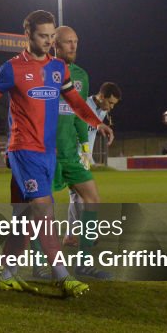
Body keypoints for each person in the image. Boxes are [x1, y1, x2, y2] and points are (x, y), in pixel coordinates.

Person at [0, 10, 113, 297]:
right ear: (27, 35)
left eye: (52, 36)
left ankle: (8, 272)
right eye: (43, 36)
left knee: (24, 217)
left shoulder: (58, 69)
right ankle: (61, 275)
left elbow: (75, 102)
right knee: (43, 208)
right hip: (23, 150)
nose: (49, 41)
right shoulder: (11, 68)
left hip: (48, 152)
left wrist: (97, 123)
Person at [50, 26, 119, 278]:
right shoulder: (40, 69)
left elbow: (79, 111)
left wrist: (96, 126)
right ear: (53, 44)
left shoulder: (81, 75)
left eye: (76, 42)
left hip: (71, 153)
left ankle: (84, 262)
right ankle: (36, 266)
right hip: (45, 151)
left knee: (91, 198)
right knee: (38, 208)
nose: (73, 46)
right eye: (67, 42)